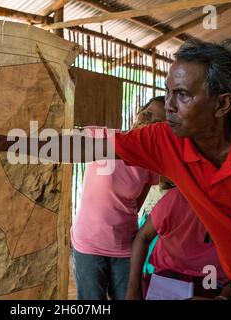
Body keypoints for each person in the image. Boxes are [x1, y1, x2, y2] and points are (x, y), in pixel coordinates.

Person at [0, 39, 231, 299]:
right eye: (167, 92)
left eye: (182, 95)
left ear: (222, 104)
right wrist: (2, 142)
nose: (167, 106)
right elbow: (82, 146)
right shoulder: (165, 142)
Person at [72, 97, 165, 300]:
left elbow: (135, 206)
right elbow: (67, 144)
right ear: (139, 111)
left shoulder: (149, 161)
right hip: (88, 244)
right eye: (147, 114)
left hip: (124, 246)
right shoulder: (104, 137)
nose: (147, 123)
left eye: (156, 123)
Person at [126, 187, 231, 300]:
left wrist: (223, 297)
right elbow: (143, 237)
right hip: (167, 281)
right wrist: (133, 288)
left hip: (213, 285)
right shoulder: (177, 197)